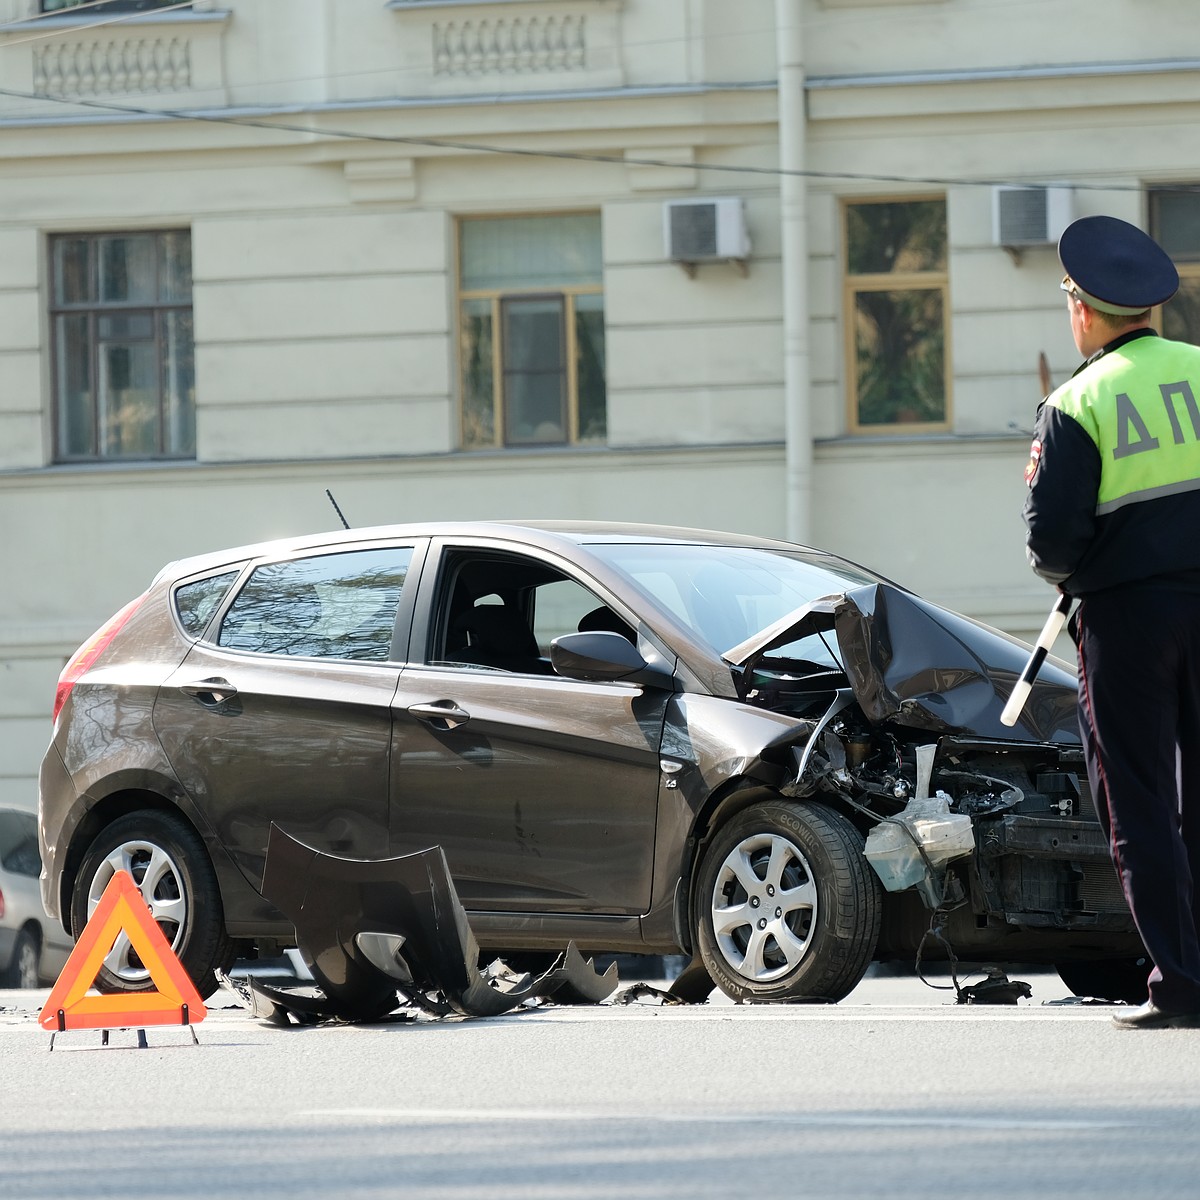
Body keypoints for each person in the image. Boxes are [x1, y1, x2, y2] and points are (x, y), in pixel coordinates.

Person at [1023, 213, 1200, 1029]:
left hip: (1129, 620)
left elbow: (1051, 545)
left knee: (1137, 801)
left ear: (1082, 310)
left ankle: (1183, 984)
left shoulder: (1077, 401)